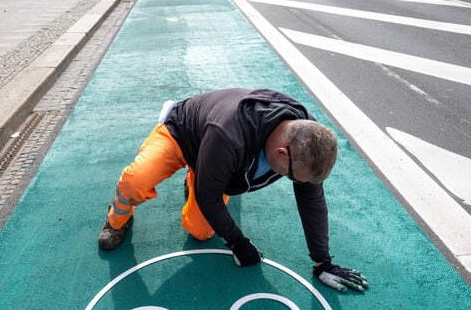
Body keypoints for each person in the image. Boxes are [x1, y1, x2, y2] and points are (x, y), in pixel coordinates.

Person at [98, 88, 369, 293]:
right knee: (137, 180)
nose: (295, 183)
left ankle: (203, 174)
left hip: (217, 158)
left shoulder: (307, 140)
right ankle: (116, 219)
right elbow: (208, 197)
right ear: (281, 152)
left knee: (201, 231)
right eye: (293, 178)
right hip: (183, 134)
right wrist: (238, 242)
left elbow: (312, 200)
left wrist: (323, 261)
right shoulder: (230, 135)